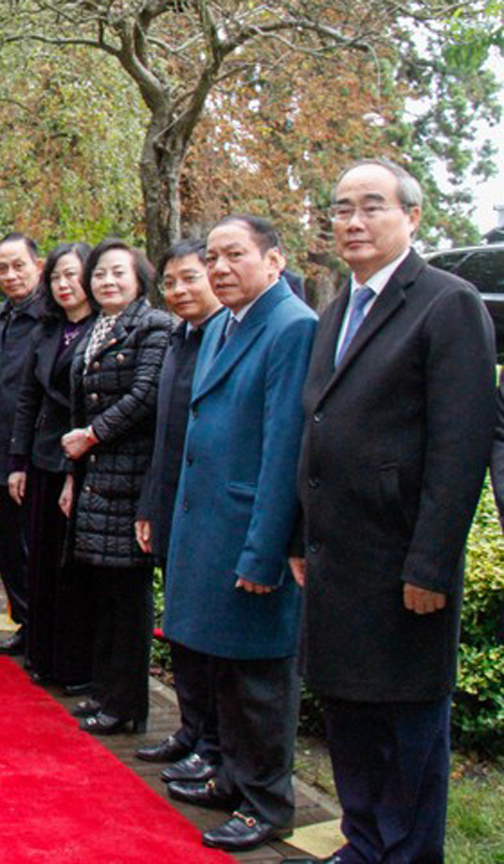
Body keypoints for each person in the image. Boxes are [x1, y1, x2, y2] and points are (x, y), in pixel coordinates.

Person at [291, 159, 495, 864]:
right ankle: (364, 843)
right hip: (337, 558)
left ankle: (404, 854)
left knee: (405, 730)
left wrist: (431, 563)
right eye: (342, 208)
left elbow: (461, 446)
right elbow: (316, 429)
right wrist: (299, 534)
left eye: (371, 206)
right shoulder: (336, 311)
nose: (353, 221)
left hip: (401, 559)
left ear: (412, 216)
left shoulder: (447, 303)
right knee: (350, 717)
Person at [159, 217, 317, 852]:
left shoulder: (292, 327)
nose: (220, 268)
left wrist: (265, 550)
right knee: (223, 668)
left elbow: (285, 449)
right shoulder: (226, 323)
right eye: (213, 257)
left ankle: (266, 802)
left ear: (274, 260)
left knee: (258, 681)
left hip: (250, 531)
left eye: (235, 255)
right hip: (209, 525)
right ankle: (229, 777)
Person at [61, 239, 171, 734]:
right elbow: (79, 402)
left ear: (139, 279)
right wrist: (73, 474)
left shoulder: (154, 326)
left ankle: (127, 707)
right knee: (103, 593)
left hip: (130, 476)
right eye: (100, 273)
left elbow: (145, 394)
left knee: (128, 596)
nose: (107, 281)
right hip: (93, 475)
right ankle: (105, 694)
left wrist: (93, 434)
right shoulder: (96, 329)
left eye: (118, 273)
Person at [132, 239, 224, 785]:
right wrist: (150, 504)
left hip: (212, 511)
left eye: (191, 278)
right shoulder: (179, 338)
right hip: (172, 503)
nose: (180, 290)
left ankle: (213, 744)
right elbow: (163, 436)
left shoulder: (224, 337)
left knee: (208, 635)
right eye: (170, 282)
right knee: (182, 628)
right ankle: (191, 731)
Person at [8, 242, 95, 688]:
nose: (64, 285)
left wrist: (74, 471)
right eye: (57, 277)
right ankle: (42, 655)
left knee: (72, 568)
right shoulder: (48, 330)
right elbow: (28, 398)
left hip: (83, 461)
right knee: (40, 560)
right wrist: (18, 461)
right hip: (42, 456)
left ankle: (74, 665)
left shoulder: (103, 328)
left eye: (72, 275)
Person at [0, 232, 44, 656]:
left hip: (38, 450)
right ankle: (26, 624)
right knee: (8, 545)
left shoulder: (52, 316)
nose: (10, 275)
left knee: (36, 545)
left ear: (37, 266)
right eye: (2, 268)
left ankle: (46, 631)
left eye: (18, 265)